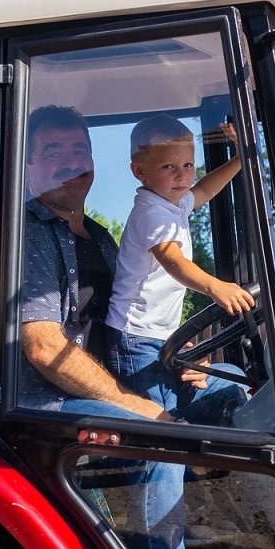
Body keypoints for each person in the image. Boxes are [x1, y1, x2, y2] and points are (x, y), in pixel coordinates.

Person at [19, 104, 246, 549]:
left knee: (241, 398)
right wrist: (131, 401)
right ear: (26, 165)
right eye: (54, 153)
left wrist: (177, 363)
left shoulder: (95, 235)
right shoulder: (26, 235)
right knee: (156, 440)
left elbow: (130, 321)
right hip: (39, 403)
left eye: (79, 152)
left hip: (121, 372)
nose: (71, 164)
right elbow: (44, 349)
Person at [105, 114, 252, 420]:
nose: (182, 176)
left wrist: (240, 159)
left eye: (187, 165)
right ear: (139, 171)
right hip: (135, 338)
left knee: (232, 380)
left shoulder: (173, 202)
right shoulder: (150, 213)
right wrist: (215, 286)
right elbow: (174, 262)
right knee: (159, 421)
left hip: (160, 334)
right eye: (168, 167)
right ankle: (173, 463)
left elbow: (207, 190)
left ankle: (199, 456)